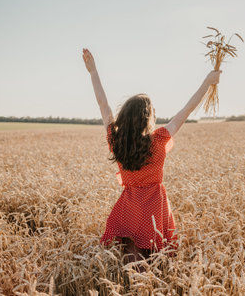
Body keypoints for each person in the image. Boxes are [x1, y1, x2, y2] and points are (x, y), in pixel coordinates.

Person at [82, 48, 221, 270]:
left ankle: (129, 284)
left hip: (128, 205)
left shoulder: (116, 140)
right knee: (157, 254)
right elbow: (187, 109)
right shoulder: (158, 140)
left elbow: (103, 105)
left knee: (131, 250)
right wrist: (208, 81)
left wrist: (93, 72)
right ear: (148, 118)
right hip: (155, 205)